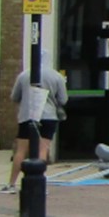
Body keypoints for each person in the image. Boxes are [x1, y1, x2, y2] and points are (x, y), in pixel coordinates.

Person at [6, 64, 68, 192]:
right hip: (48, 117)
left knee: (21, 150)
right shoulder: (57, 76)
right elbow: (63, 99)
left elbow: (14, 97)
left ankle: (11, 184)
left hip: (27, 116)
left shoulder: (24, 75)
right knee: (42, 150)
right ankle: (40, 183)